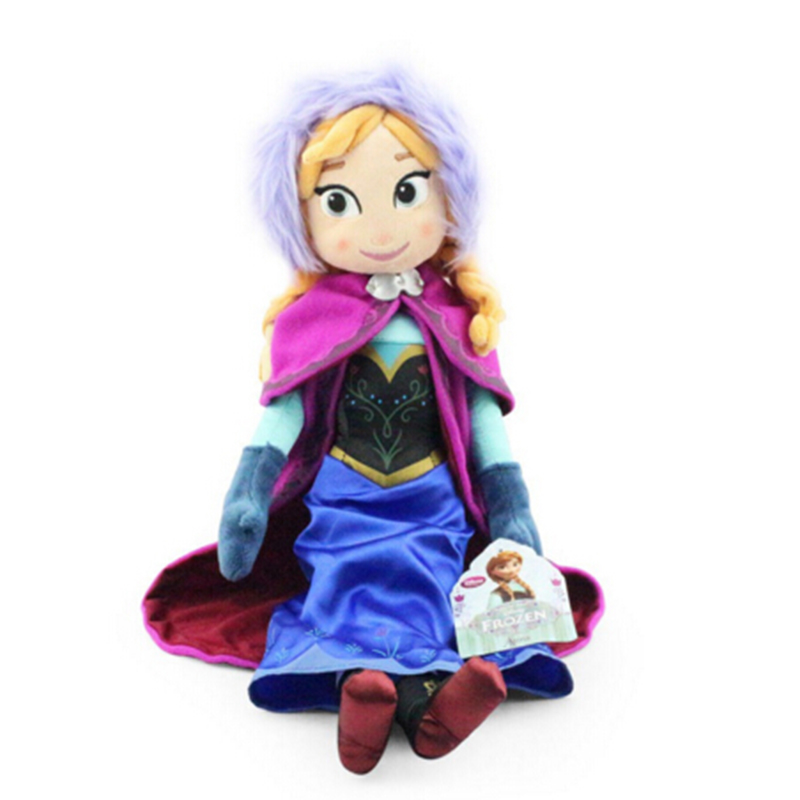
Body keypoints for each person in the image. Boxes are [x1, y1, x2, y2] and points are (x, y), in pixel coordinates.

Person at [142, 67, 604, 776]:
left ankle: (415, 706)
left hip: (432, 501)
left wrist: (510, 508)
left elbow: (481, 419)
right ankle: (381, 696)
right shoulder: (310, 321)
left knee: (434, 584)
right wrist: (247, 498)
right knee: (341, 582)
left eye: (408, 191)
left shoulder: (455, 317)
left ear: (450, 196)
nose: (380, 227)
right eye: (340, 201)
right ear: (301, 217)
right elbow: (284, 414)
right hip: (343, 500)